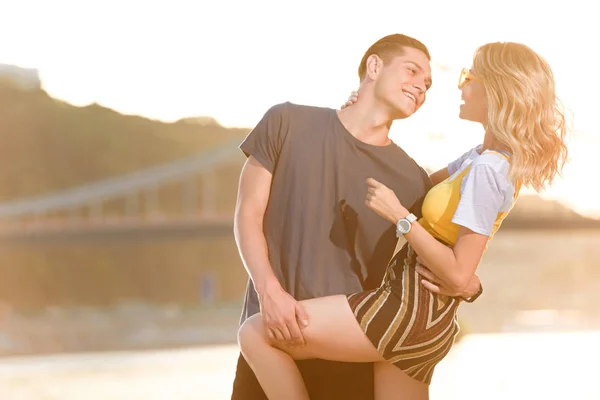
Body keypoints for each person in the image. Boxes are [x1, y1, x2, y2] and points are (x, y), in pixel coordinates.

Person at [237, 41, 568, 400]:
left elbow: (454, 255)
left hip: (384, 324)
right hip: (374, 324)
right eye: (412, 71)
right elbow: (247, 214)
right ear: (374, 67)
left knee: (254, 333)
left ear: (498, 89)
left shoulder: (444, 175)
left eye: (430, 83)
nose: (427, 87)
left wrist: (409, 225)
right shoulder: (289, 122)